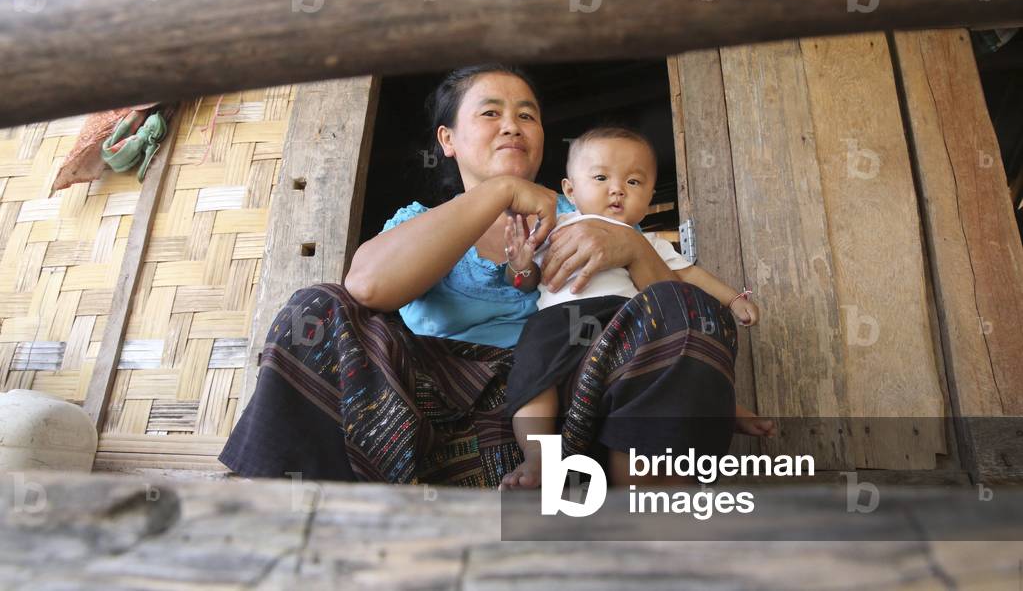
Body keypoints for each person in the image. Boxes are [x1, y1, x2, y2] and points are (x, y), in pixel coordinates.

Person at [219, 63, 760, 487]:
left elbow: (667, 315)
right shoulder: (418, 222)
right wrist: (498, 192)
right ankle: (287, 510)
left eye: (527, 115)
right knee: (319, 307)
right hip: (417, 410)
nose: (512, 125)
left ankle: (650, 517)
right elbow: (367, 287)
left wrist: (631, 246)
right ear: (447, 139)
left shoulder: (592, 220)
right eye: (490, 113)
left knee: (694, 311)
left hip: (563, 403)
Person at [499, 126, 775, 490]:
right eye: (601, 177)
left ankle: (725, 406)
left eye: (633, 181)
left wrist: (734, 299)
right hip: (560, 323)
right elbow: (526, 280)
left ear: (649, 194)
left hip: (626, 323)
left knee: (673, 356)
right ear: (570, 190)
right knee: (533, 378)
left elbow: (692, 276)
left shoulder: (650, 244)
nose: (617, 189)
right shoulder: (555, 228)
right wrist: (519, 265)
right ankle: (538, 458)